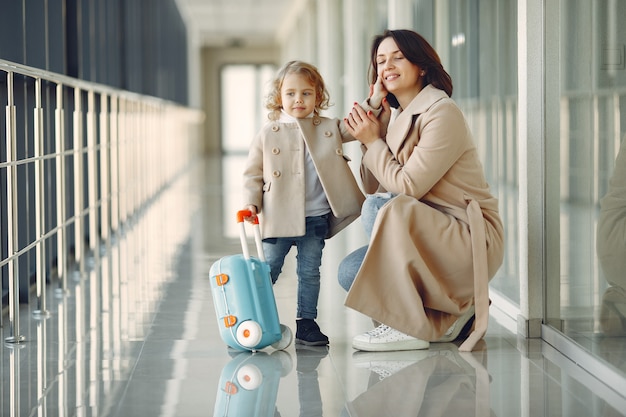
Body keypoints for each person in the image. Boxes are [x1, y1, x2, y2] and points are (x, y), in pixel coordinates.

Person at [338, 29, 505, 352]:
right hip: (430, 229)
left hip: (468, 236)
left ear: (422, 66)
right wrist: (377, 129)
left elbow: (408, 188)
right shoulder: (400, 118)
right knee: (351, 272)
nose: (387, 65)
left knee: (382, 210)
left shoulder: (442, 113)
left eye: (398, 57)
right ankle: (454, 315)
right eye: (380, 60)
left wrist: (374, 142)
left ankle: (406, 324)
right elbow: (372, 185)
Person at [242, 60, 365, 346]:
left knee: (309, 272)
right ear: (279, 98)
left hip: (315, 217)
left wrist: (374, 99)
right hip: (279, 216)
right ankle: (253, 317)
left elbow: (353, 126)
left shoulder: (327, 127)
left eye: (306, 93)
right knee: (269, 268)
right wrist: (251, 203)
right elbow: (252, 172)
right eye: (291, 94)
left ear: (317, 97)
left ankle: (306, 323)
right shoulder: (268, 133)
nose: (298, 100)